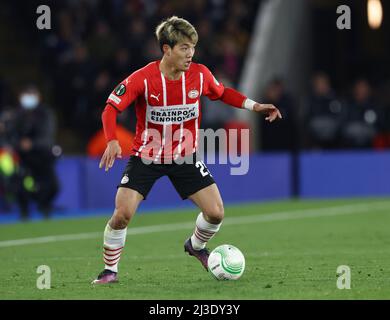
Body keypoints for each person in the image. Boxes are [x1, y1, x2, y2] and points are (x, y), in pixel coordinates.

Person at [92, 16, 282, 284]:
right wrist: (111, 139)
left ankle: (195, 245)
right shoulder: (143, 79)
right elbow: (111, 108)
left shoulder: (200, 75)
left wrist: (255, 106)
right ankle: (110, 271)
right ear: (166, 49)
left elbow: (222, 92)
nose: (190, 54)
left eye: (192, 47)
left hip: (185, 157)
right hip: (147, 157)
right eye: (183, 47)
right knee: (122, 214)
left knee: (216, 212)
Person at [10, 85, 59, 220]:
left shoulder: (46, 114)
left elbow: (48, 136)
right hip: (24, 158)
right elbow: (12, 135)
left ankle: (44, 206)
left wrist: (32, 144)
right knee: (20, 186)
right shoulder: (17, 115)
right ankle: (24, 211)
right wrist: (19, 144)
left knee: (53, 186)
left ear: (38, 97)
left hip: (43, 157)